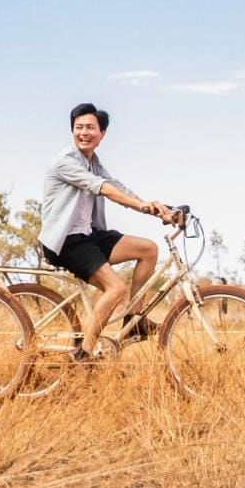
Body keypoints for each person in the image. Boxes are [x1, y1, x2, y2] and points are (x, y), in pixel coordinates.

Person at [39, 102, 175, 362]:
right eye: (79, 128)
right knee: (116, 288)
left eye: (90, 128)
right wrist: (139, 205)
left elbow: (116, 185)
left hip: (89, 235)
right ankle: (84, 354)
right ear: (72, 132)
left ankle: (134, 319)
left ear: (102, 134)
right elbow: (101, 188)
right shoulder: (65, 162)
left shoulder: (94, 163)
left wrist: (156, 209)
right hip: (66, 241)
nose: (84, 133)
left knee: (148, 249)